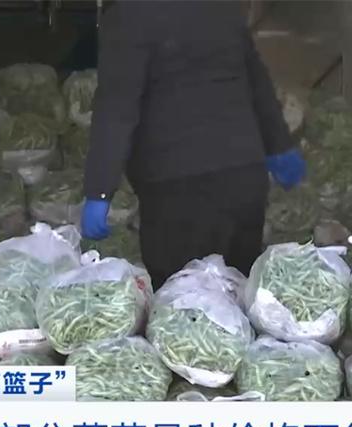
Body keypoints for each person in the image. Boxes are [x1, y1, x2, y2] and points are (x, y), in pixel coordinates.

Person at [81, 0, 305, 289]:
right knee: (238, 290)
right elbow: (257, 82)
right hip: (242, 176)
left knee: (181, 300)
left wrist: (99, 190)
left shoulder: (129, 14)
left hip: (176, 186)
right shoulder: (221, 7)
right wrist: (279, 146)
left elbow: (117, 108)